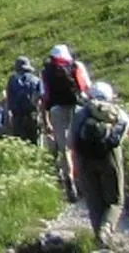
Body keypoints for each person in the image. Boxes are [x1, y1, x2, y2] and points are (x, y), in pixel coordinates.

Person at [69, 82, 129, 246]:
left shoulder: (80, 113)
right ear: (110, 96)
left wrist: (75, 168)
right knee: (115, 201)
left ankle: (99, 239)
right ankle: (106, 231)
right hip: (110, 158)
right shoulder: (116, 112)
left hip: (85, 160)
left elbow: (71, 144)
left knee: (94, 201)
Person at [42, 44, 94, 200]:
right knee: (79, 143)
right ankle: (82, 179)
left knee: (65, 147)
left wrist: (45, 120)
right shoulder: (77, 66)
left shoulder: (46, 71)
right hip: (78, 107)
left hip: (56, 109)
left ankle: (69, 177)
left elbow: (44, 96)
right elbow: (87, 87)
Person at [5, 56, 44, 146]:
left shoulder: (12, 80)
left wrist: (8, 116)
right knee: (35, 142)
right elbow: (40, 100)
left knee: (20, 143)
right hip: (32, 115)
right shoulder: (36, 80)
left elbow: (9, 100)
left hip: (17, 117)